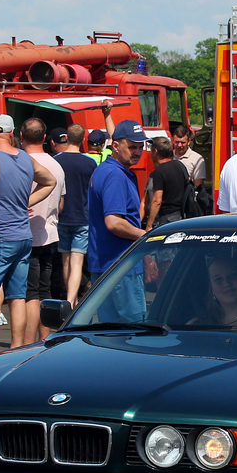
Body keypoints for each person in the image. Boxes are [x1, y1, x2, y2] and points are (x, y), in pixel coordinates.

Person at [0, 114, 56, 360]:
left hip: (0, 237)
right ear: (12, 133)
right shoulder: (25, 159)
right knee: (17, 295)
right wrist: (25, 202)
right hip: (23, 237)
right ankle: (17, 349)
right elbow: (50, 181)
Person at [87, 120, 148, 322]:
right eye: (132, 147)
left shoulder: (107, 170)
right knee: (134, 330)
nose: (138, 152)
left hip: (106, 264)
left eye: (141, 146)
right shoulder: (115, 175)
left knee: (109, 333)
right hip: (121, 264)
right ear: (115, 145)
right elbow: (113, 222)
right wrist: (147, 236)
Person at [21, 118, 66, 343]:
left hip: (26, 235)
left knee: (30, 294)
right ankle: (44, 339)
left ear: (21, 136)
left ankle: (28, 343)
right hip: (50, 233)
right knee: (45, 291)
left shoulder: (22, 163)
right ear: (45, 138)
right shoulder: (57, 165)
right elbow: (60, 204)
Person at [53, 123, 98, 306]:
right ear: (83, 140)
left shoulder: (56, 160)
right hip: (83, 216)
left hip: (62, 216)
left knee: (66, 260)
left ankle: (69, 299)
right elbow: (94, 189)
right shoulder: (90, 163)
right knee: (77, 261)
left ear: (67, 138)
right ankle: (72, 300)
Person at [189, 256, 237, 326]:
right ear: (211, 288)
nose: (226, 283)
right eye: (218, 279)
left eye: (232, 275)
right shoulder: (198, 326)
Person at [146, 136, 189, 230]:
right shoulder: (180, 165)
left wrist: (149, 225)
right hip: (181, 216)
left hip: (166, 219)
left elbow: (157, 201)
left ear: (155, 152)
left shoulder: (159, 171)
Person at [172, 124, 205, 188]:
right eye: (177, 142)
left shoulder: (197, 159)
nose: (179, 145)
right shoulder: (168, 156)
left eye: (183, 142)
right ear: (173, 141)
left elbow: (198, 186)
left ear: (189, 142)